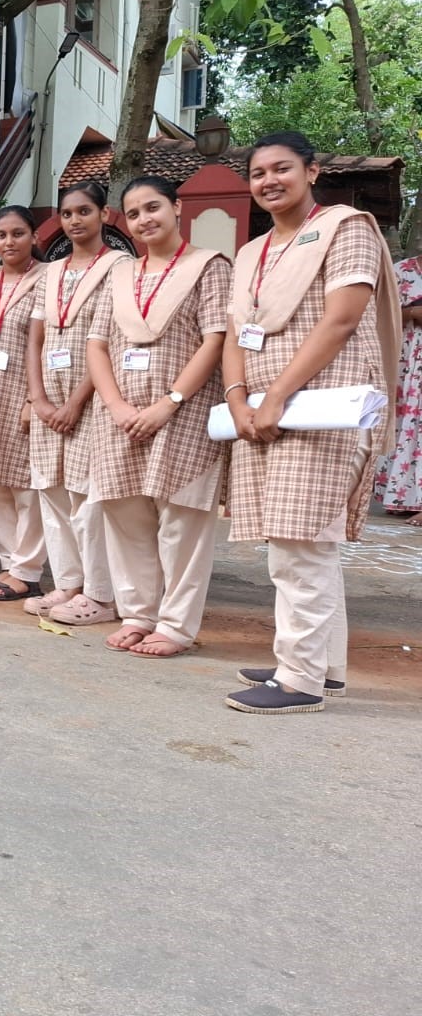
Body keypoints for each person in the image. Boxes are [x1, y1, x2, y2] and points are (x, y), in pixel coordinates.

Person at [223, 132, 401, 714]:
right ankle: (322, 666)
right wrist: (238, 397)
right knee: (298, 543)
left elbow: (342, 319)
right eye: (258, 173)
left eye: (282, 169)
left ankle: (298, 680)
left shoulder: (345, 228)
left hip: (322, 408)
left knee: (301, 544)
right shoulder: (251, 252)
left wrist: (277, 394)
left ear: (312, 172)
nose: (269, 181)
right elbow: (235, 333)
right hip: (261, 411)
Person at [86, 176, 230, 659]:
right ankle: (137, 615)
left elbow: (215, 340)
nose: (144, 219)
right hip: (120, 414)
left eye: (153, 208)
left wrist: (170, 401)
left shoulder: (209, 266)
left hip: (183, 413)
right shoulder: (119, 274)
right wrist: (116, 406)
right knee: (125, 516)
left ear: (177, 207)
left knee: (182, 523)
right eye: (133, 213)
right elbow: (97, 345)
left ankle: (175, 626)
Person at [21, 182, 125, 624]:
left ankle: (100, 594)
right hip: (49, 398)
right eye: (67, 213)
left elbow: (111, 341)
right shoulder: (50, 272)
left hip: (93, 398)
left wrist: (76, 402)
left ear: (104, 215)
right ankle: (67, 584)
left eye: (84, 211)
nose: (75, 220)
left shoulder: (119, 267)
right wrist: (38, 398)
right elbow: (35, 339)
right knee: (51, 492)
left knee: (89, 497)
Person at [0, 206, 48, 601]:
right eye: (1, 235)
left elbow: (49, 342)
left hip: (24, 392)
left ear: (34, 236)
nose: (9, 242)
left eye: (18, 233)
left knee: (26, 485)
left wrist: (36, 399)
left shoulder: (47, 278)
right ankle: (10, 562)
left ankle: (28, 570)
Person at [376, 222, 422, 522]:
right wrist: (412, 312)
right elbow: (378, 312)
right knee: (407, 425)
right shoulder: (400, 272)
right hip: (407, 364)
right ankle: (404, 495)